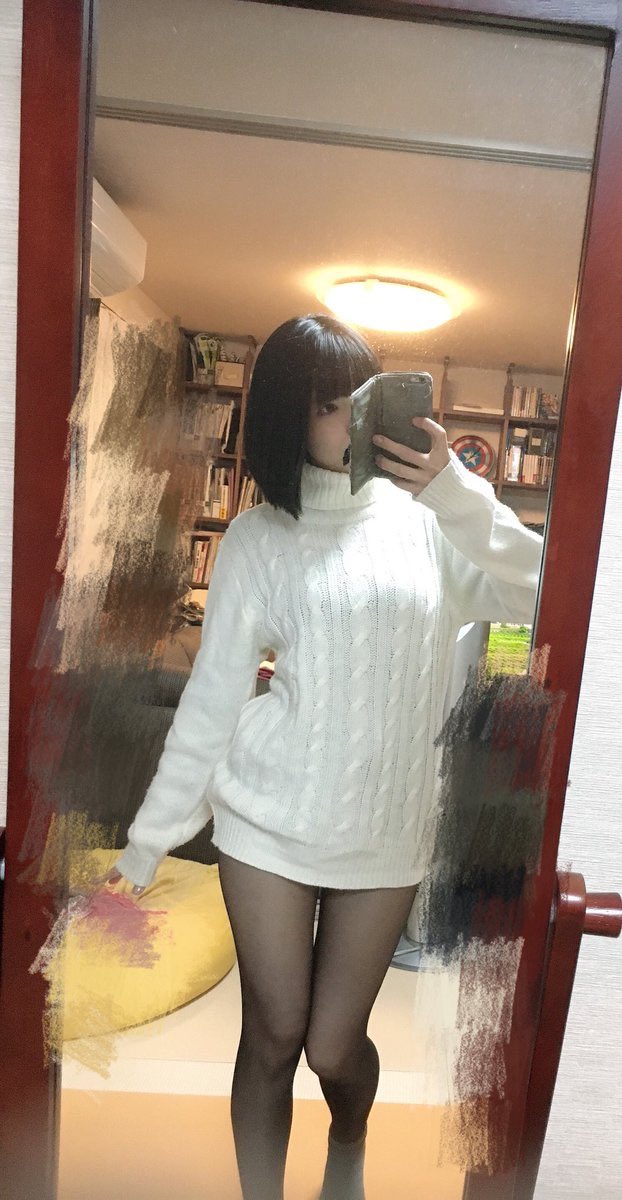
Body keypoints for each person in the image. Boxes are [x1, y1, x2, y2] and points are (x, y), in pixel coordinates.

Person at [105, 314, 542, 1200]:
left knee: (334, 1046)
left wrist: (456, 493)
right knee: (273, 1034)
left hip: (386, 829)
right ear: (286, 417)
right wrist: (146, 846)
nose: (353, 419)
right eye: (328, 405)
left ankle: (348, 1138)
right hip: (268, 819)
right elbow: (213, 700)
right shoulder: (257, 539)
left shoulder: (429, 522)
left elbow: (545, 592)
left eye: (362, 397)